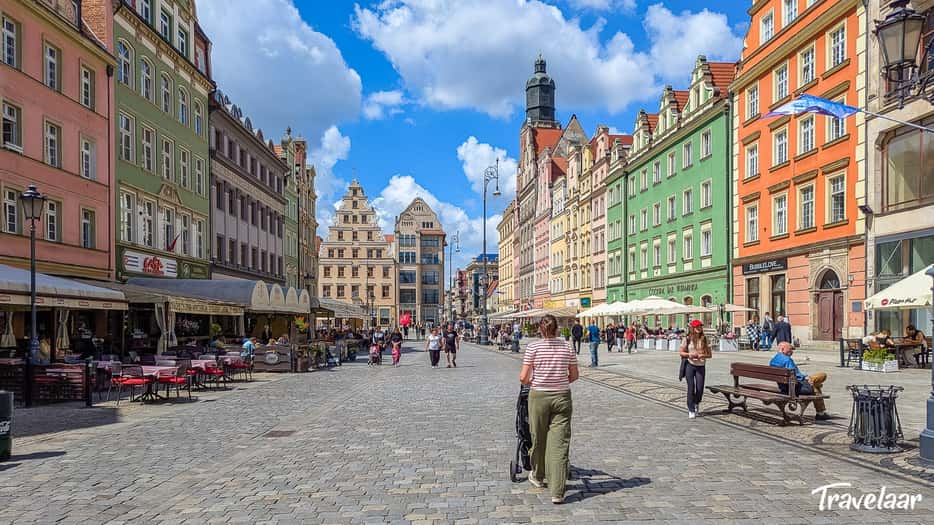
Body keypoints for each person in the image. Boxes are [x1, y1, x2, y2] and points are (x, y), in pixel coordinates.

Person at [518, 314, 578, 505]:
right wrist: (559, 382)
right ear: (557, 328)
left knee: (538, 437)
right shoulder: (567, 346)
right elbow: (575, 375)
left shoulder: (533, 347)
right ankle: (557, 492)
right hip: (562, 397)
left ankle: (538, 475)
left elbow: (524, 377)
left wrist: (537, 381)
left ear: (540, 329)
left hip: (539, 397)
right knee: (560, 444)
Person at [769, 341, 830, 420]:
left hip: (783, 387)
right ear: (783, 349)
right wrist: (806, 378)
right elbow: (796, 375)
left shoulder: (773, 360)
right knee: (822, 375)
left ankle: (821, 413)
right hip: (795, 388)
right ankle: (820, 413)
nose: (792, 352)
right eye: (790, 349)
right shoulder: (787, 360)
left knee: (816, 385)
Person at [678, 319, 711, 419]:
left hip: (701, 366)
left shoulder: (705, 339)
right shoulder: (687, 339)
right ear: (692, 328)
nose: (699, 328)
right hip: (690, 365)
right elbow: (681, 352)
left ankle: (696, 402)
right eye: (697, 327)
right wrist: (689, 354)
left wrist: (703, 355)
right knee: (691, 387)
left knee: (700, 389)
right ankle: (691, 409)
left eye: (700, 326)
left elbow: (709, 355)